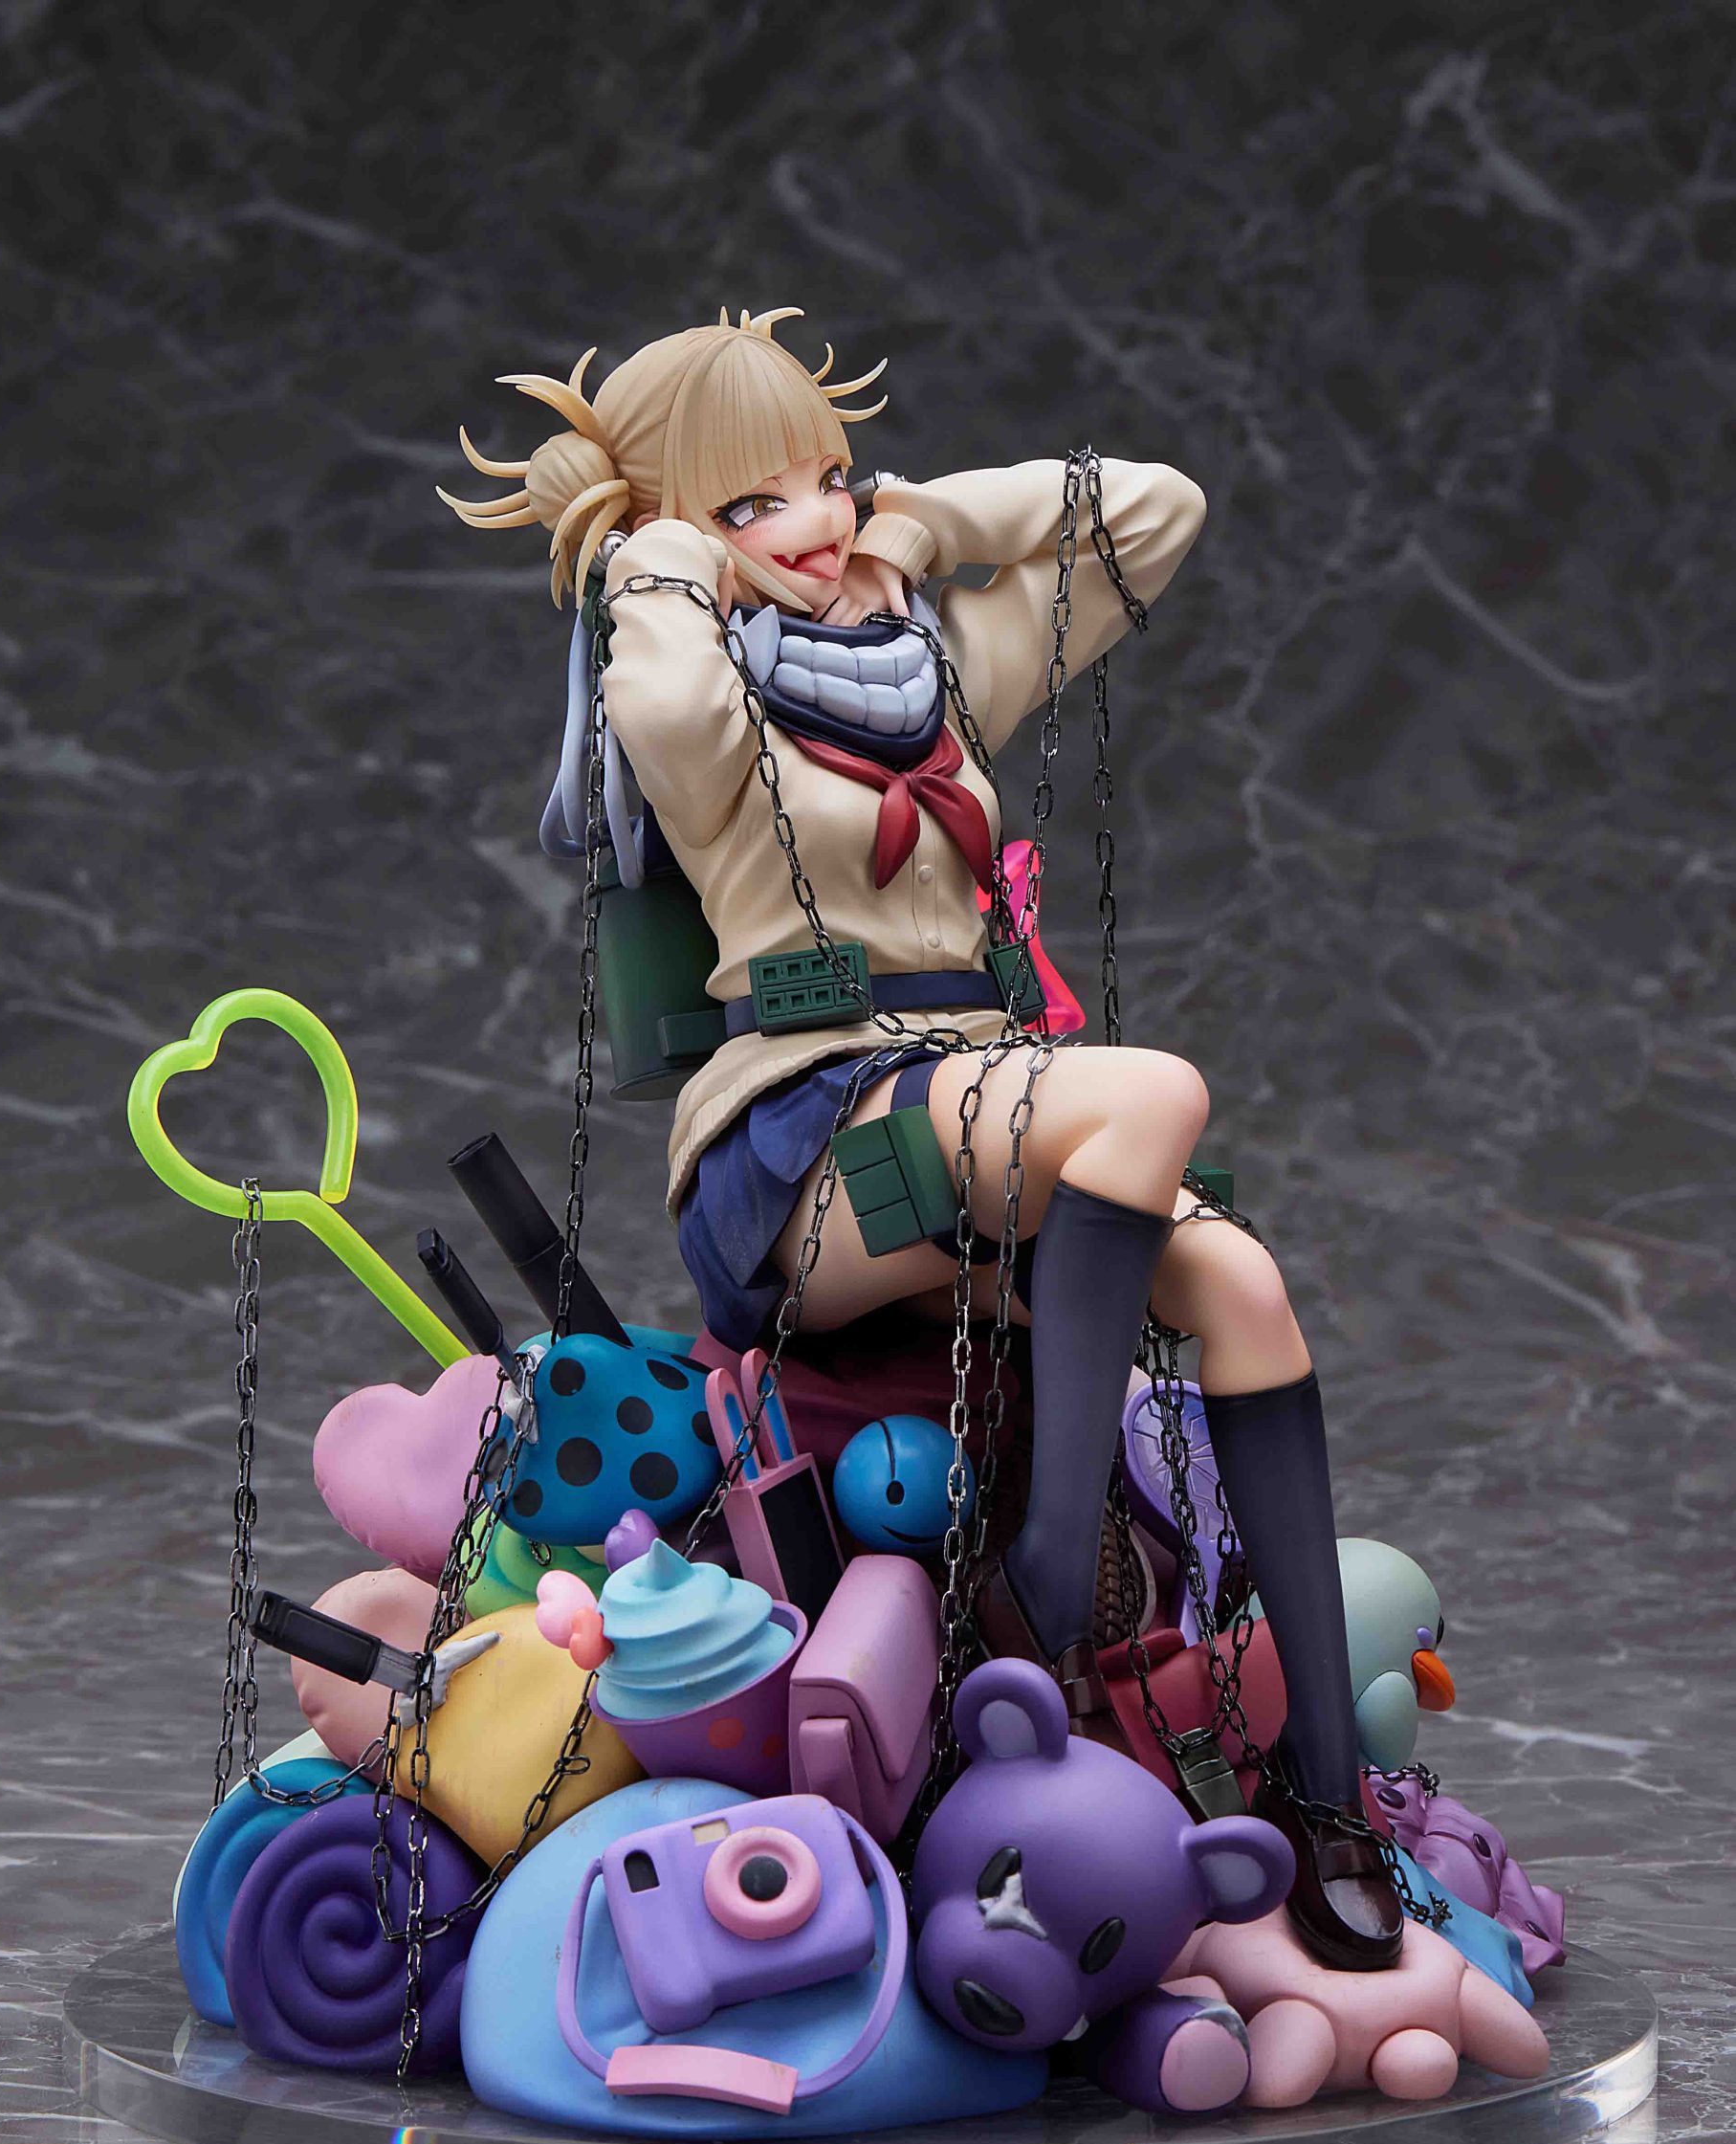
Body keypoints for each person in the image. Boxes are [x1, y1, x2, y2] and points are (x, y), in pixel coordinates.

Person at [441, 307, 1402, 1971]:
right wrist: (659, 557)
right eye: (752, 503)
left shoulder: (931, 667)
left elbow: (1149, 511)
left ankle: (1328, 1797)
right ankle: (1047, 1566)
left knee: (1241, 1285)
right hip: (807, 1144)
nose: (810, 524)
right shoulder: (703, 699)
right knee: (1150, 1091)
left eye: (825, 477)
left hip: (984, 1105)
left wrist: (916, 521)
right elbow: (660, 703)